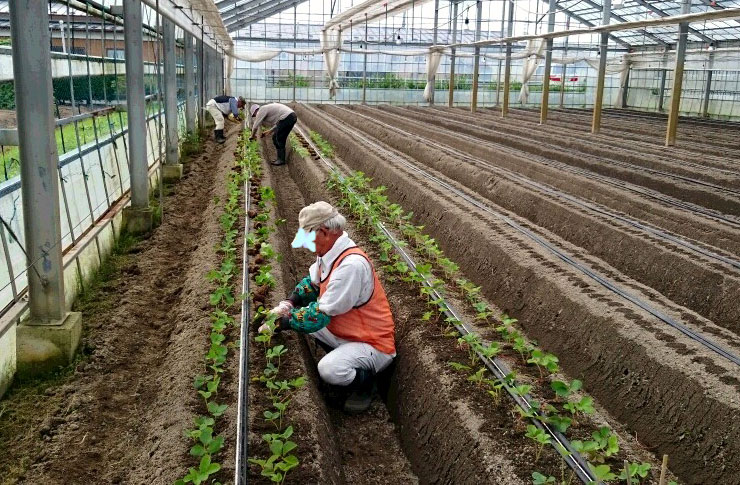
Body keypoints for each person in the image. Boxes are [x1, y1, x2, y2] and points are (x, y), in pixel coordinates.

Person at [259, 201, 396, 414]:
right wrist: (289, 304)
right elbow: (312, 283)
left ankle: (366, 383)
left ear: (323, 231)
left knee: (328, 369)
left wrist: (281, 323)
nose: (305, 244)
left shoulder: (351, 265)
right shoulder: (329, 251)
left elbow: (320, 315)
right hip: (347, 331)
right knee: (304, 321)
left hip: (371, 342)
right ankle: (344, 359)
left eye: (308, 236)